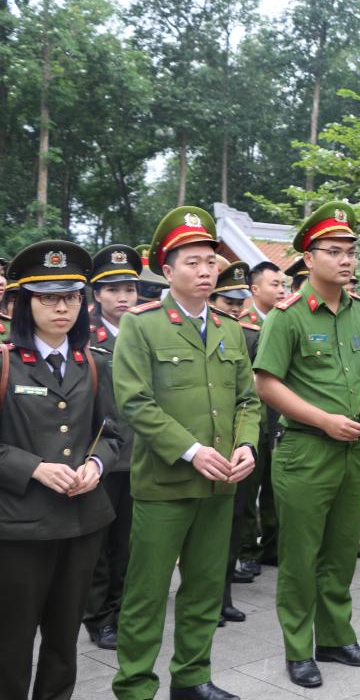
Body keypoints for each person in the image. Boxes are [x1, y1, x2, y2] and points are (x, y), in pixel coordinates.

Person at [112, 207, 261, 700]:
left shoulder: (228, 326)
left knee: (202, 589)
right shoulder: (143, 325)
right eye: (192, 261)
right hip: (164, 482)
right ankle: (134, 685)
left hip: (221, 482)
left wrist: (245, 444)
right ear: (168, 270)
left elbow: (247, 399)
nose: (204, 270)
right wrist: (191, 450)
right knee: (147, 593)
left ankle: (193, 677)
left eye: (210, 261)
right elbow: (135, 402)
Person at [253, 201, 360, 689]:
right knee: (301, 555)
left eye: (351, 251)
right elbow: (267, 383)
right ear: (309, 258)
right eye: (334, 251)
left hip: (355, 448)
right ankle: (297, 647)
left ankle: (335, 637)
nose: (346, 260)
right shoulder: (286, 316)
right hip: (306, 449)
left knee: (340, 551)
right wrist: (324, 420)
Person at [0, 241, 123, 700]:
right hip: (18, 529)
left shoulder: (91, 363)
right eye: (48, 297)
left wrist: (96, 464)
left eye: (70, 297)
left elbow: (114, 434)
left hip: (81, 524)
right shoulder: (5, 363)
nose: (62, 307)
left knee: (64, 642)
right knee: (10, 644)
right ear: (22, 304)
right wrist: (33, 468)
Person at [82, 244, 141, 651]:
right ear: (97, 295)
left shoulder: (148, 330)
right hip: (100, 456)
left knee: (129, 541)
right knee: (99, 543)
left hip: (141, 454)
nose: (123, 297)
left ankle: (120, 611)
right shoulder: (84, 337)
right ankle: (98, 615)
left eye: (130, 290)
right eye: (113, 289)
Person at [208, 260, 262, 625]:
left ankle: (221, 594)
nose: (235, 307)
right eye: (227, 300)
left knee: (232, 522)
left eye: (239, 300)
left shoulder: (248, 335)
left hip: (235, 447)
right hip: (195, 449)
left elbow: (250, 397)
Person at [236, 260, 287, 577]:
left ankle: (272, 547)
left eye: (283, 285)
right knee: (247, 491)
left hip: (281, 419)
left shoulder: (284, 321)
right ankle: (247, 550)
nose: (281, 290)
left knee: (275, 490)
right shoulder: (244, 324)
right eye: (274, 285)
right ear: (255, 289)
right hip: (253, 420)